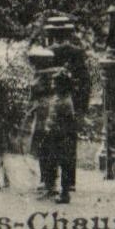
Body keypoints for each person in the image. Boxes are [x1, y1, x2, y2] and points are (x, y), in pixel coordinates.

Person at [44, 15, 89, 190]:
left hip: (51, 105)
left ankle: (49, 180)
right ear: (68, 33)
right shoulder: (77, 52)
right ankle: (69, 181)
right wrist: (82, 108)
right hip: (72, 105)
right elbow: (85, 81)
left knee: (49, 143)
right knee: (69, 144)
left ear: (52, 34)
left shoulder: (46, 52)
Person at [38, 70, 77, 203]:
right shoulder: (58, 98)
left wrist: (60, 134)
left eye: (55, 83)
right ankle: (51, 189)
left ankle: (64, 193)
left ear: (62, 85)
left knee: (63, 163)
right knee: (50, 162)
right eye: (52, 82)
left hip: (61, 137)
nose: (53, 85)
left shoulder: (66, 101)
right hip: (53, 135)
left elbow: (68, 122)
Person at [27, 44, 57, 196]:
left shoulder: (42, 76)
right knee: (45, 147)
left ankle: (48, 181)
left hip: (44, 115)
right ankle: (47, 180)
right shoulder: (53, 74)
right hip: (44, 114)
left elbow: (34, 94)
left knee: (45, 147)